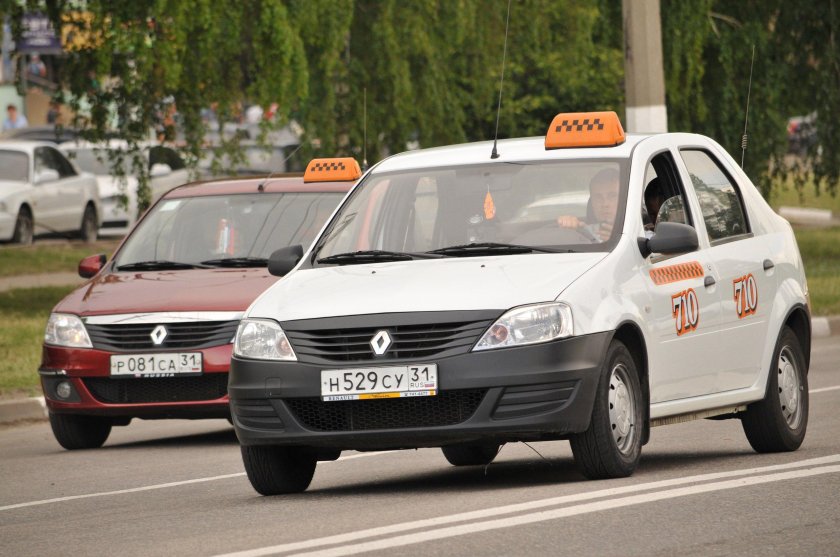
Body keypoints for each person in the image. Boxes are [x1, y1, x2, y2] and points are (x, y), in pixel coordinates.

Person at [557, 167, 620, 242]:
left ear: (624, 199)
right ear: (592, 203)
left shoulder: (635, 232)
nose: (605, 204)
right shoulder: (582, 232)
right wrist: (566, 228)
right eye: (598, 197)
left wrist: (617, 240)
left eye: (612, 196)